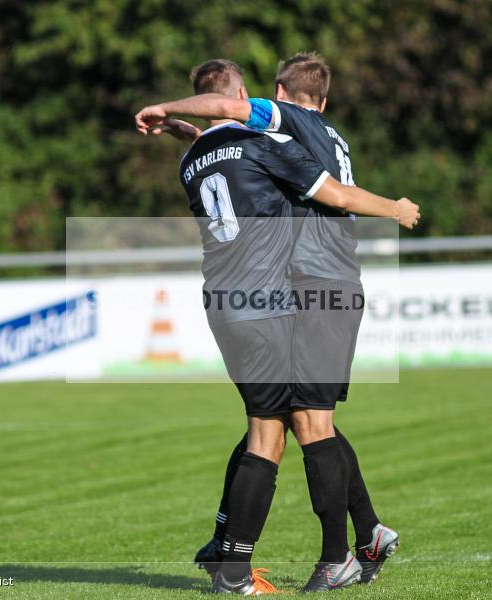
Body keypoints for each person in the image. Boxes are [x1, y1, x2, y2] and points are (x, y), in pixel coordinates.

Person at [141, 59, 419, 594]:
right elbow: (254, 157)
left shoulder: (198, 158)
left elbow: (230, 134)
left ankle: (260, 550)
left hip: (283, 290)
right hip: (308, 285)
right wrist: (396, 208)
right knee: (302, 420)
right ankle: (353, 540)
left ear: (277, 94)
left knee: (291, 421)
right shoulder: (310, 134)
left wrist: (176, 123)